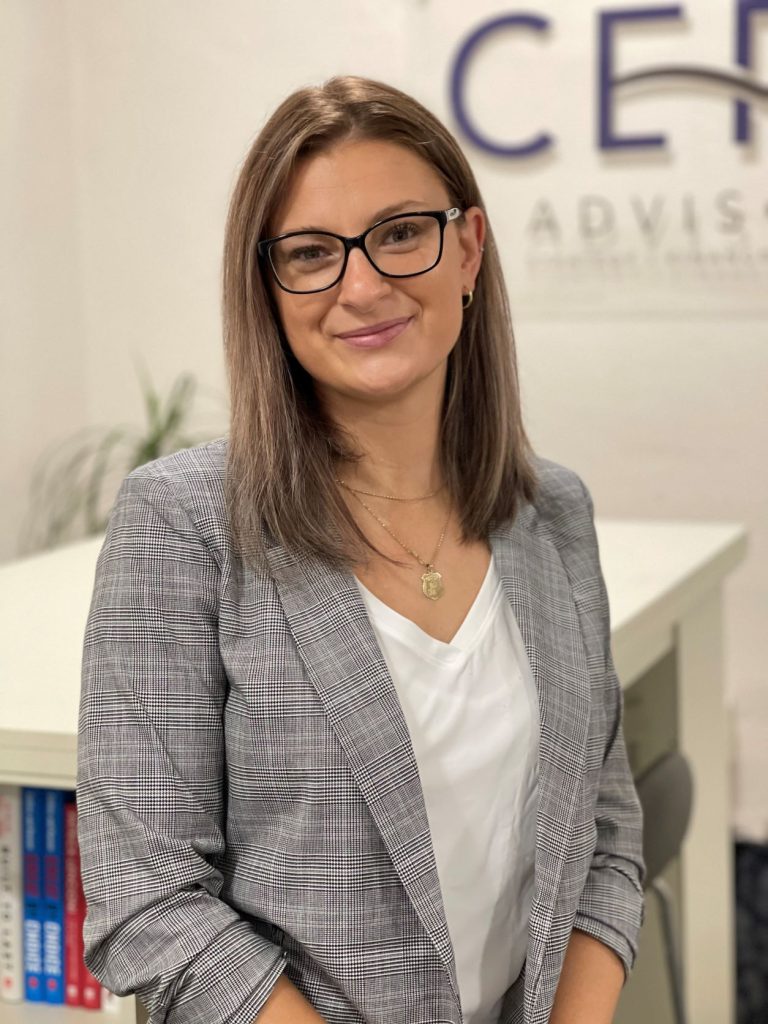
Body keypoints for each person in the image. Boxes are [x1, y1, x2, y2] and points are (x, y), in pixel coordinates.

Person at [77, 76, 644, 1024]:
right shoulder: (182, 524)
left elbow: (605, 831)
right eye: (311, 253)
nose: (364, 286)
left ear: (468, 249)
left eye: (401, 233)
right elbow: (150, 899)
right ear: (267, 289)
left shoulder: (554, 514)